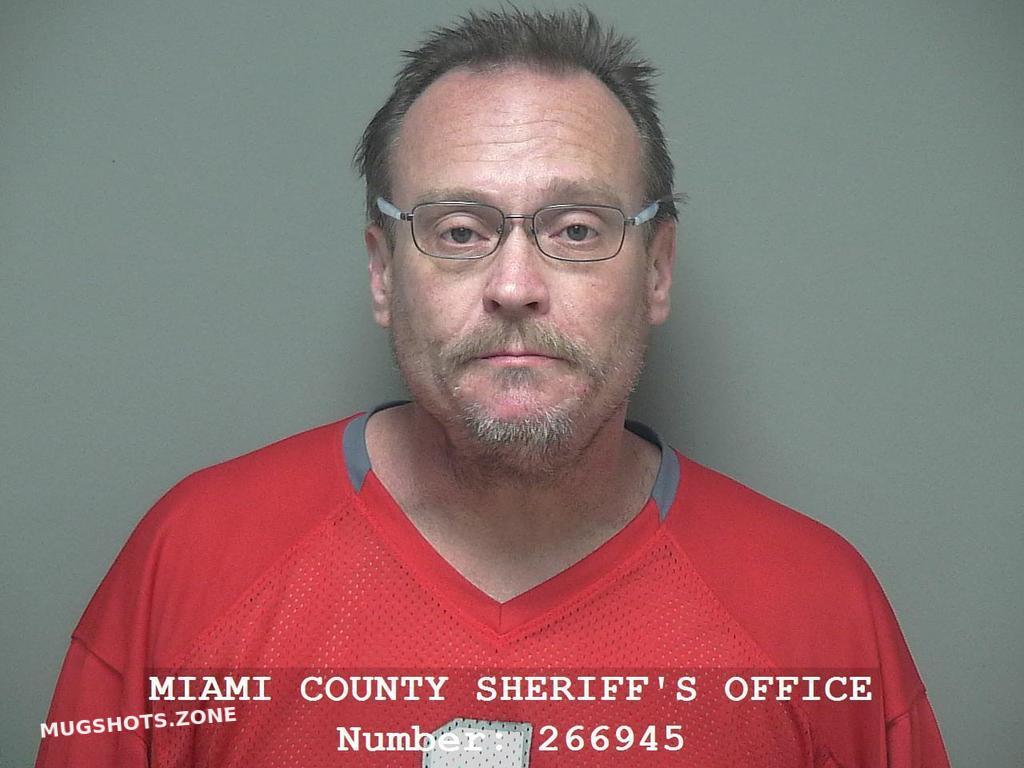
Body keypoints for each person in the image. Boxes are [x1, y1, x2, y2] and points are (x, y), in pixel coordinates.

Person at [36, 8, 949, 767]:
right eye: (460, 230)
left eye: (578, 229)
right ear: (384, 272)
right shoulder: (190, 565)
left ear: (657, 270)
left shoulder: (820, 613)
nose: (515, 285)